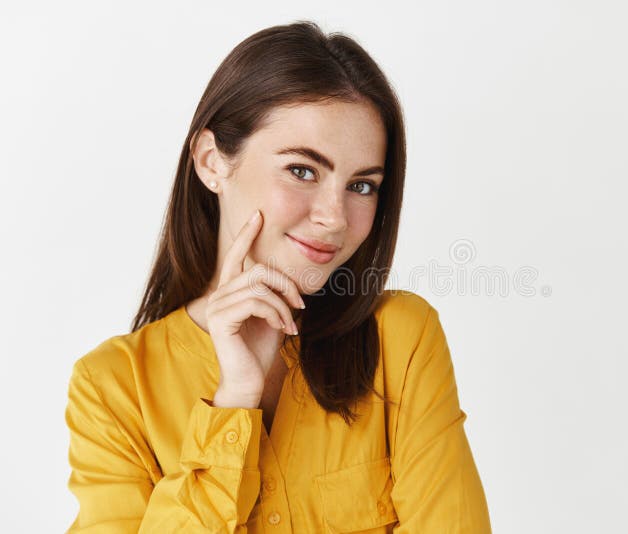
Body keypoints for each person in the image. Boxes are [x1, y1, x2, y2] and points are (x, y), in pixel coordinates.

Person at [64, 20, 491, 533]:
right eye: (302, 170)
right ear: (211, 162)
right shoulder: (113, 387)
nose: (335, 216)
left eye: (362, 185)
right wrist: (234, 401)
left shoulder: (402, 339)